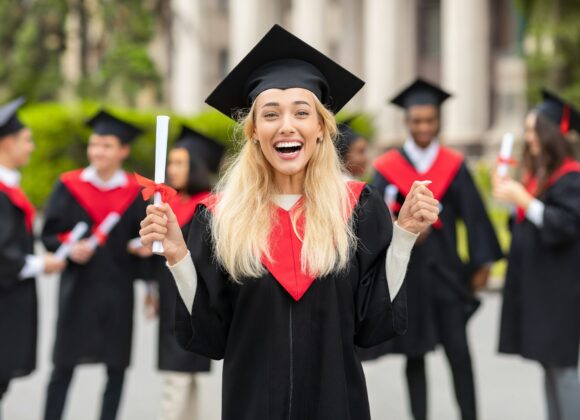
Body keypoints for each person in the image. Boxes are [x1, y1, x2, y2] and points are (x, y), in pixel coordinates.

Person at [139, 25, 440, 420]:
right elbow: (211, 335)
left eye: (302, 112)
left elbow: (372, 325)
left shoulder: (358, 210)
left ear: (320, 131)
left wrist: (403, 235)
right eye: (270, 115)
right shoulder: (220, 218)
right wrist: (178, 255)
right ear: (254, 134)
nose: (286, 125)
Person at [365, 78, 503, 420]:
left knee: (459, 354)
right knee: (414, 356)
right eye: (416, 121)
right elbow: (373, 219)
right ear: (406, 122)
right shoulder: (387, 169)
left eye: (429, 120)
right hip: (408, 278)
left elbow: (474, 215)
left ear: (437, 121)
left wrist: (482, 262)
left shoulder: (453, 166)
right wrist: (401, 225)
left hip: (446, 275)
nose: (423, 127)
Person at [41, 110, 152, 420]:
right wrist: (67, 247)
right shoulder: (69, 185)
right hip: (77, 291)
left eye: (106, 145)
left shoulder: (134, 192)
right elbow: (48, 233)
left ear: (123, 151)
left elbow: (143, 237)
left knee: (116, 369)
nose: (98, 151)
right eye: (94, 144)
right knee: (62, 366)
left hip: (117, 292)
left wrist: (144, 252)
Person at [495, 90, 580, 420]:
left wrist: (524, 199)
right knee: (549, 364)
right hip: (544, 288)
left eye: (533, 130)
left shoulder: (571, 178)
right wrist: (518, 198)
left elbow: (565, 225)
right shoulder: (543, 178)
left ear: (548, 133)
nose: (528, 137)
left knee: (562, 368)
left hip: (561, 291)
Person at [145, 126, 225, 420]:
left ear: (197, 167)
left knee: (187, 376)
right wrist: (151, 290)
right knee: (179, 376)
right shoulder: (167, 205)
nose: (171, 169)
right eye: (170, 163)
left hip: (197, 297)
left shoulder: (212, 208)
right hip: (169, 297)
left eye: (180, 163)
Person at [0, 98, 65, 418]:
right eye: (27, 140)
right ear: (8, 143)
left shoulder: (9, 188)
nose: (33, 147)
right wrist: (42, 263)